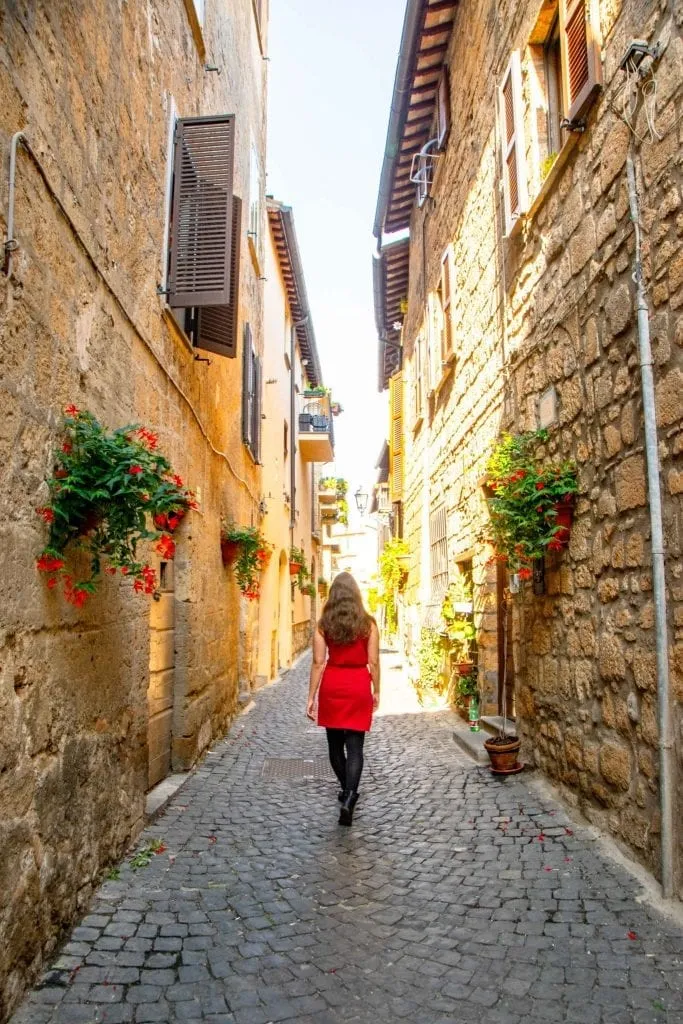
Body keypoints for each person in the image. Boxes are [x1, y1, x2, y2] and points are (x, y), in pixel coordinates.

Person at [306, 572, 380, 826]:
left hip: (333, 686)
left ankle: (346, 790)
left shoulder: (323, 624)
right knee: (356, 747)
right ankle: (350, 796)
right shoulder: (368, 623)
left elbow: (318, 662)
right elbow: (373, 662)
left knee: (335, 746)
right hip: (358, 685)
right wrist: (377, 690)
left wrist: (311, 696)